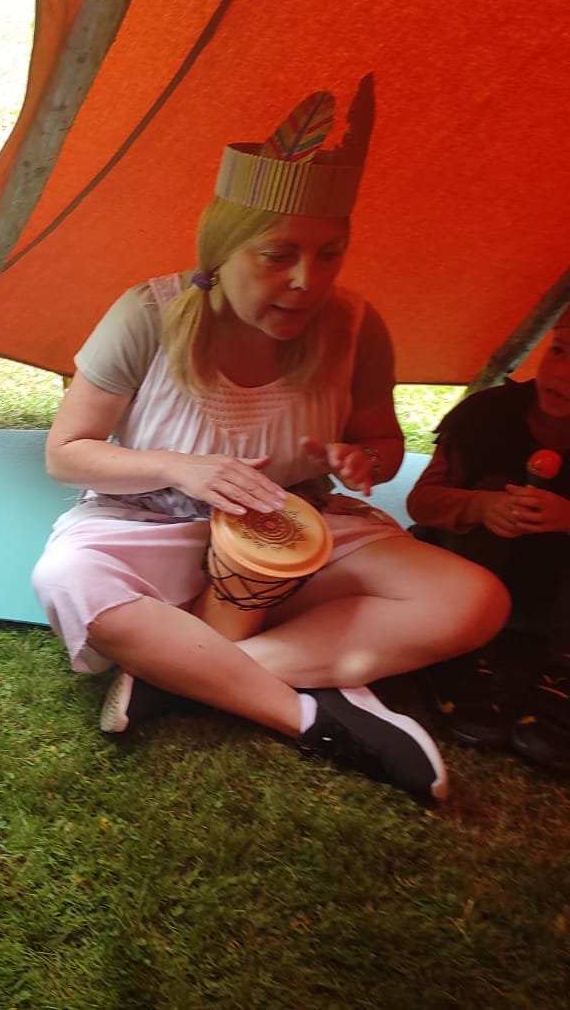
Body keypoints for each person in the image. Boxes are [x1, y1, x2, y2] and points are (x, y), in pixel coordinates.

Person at [31, 83, 509, 800]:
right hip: (151, 523)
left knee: (474, 599)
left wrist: (364, 460)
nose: (306, 280)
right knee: (69, 578)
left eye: (330, 254)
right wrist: (180, 468)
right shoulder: (147, 315)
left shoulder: (356, 326)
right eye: (278, 254)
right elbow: (66, 452)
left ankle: (181, 673)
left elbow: (381, 442)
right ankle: (311, 716)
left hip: (298, 531)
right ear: (222, 251)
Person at [406, 307, 570, 769]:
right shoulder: (487, 414)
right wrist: (480, 506)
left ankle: (560, 676)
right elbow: (423, 502)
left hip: (553, 603)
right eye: (559, 351)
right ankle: (465, 657)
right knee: (495, 491)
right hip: (471, 580)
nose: (562, 373)